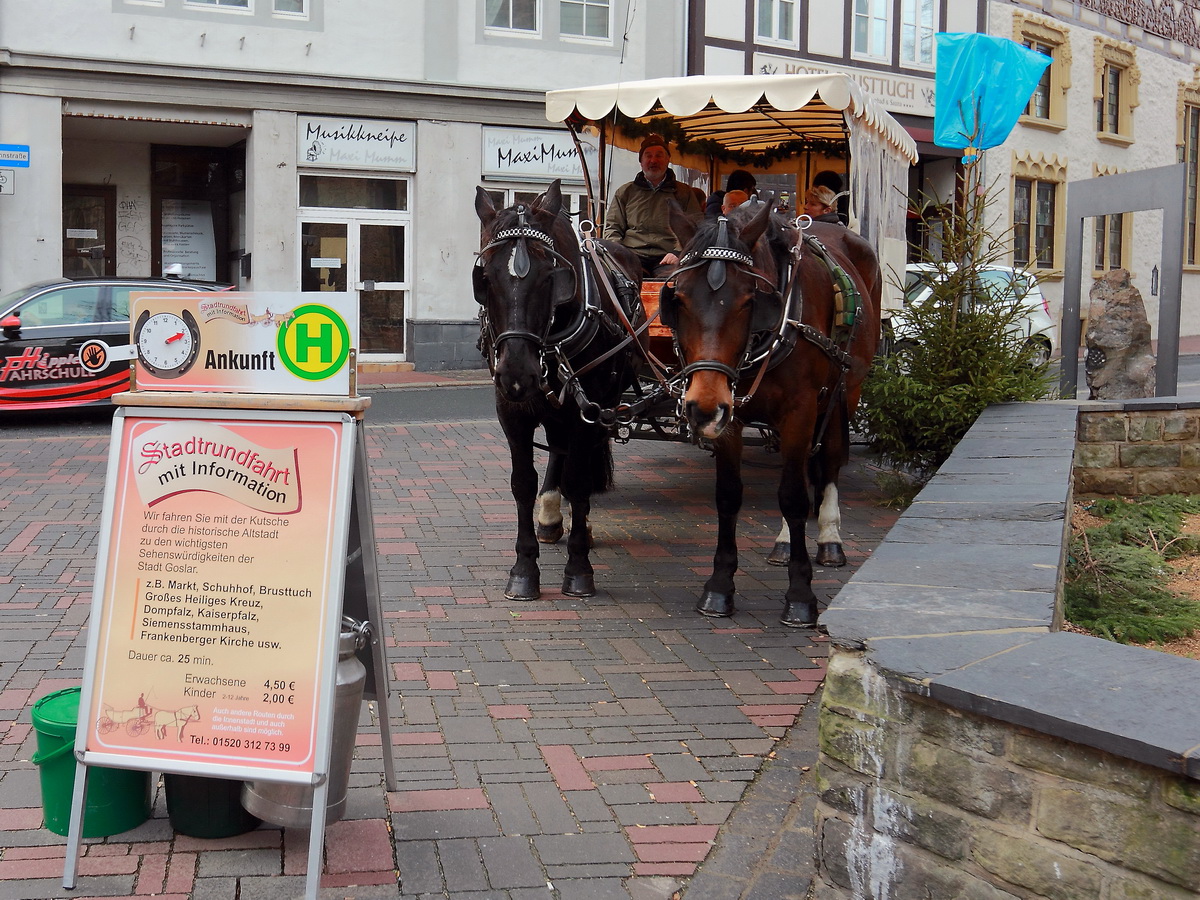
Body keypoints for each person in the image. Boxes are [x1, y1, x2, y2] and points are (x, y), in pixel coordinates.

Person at [604, 133, 703, 277]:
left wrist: (678, 252)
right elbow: (612, 227)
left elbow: (695, 227)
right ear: (641, 161)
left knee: (673, 284)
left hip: (669, 257)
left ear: (668, 159)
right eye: (648, 156)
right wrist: (619, 252)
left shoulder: (684, 193)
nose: (653, 160)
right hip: (632, 255)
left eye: (659, 155)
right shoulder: (625, 192)